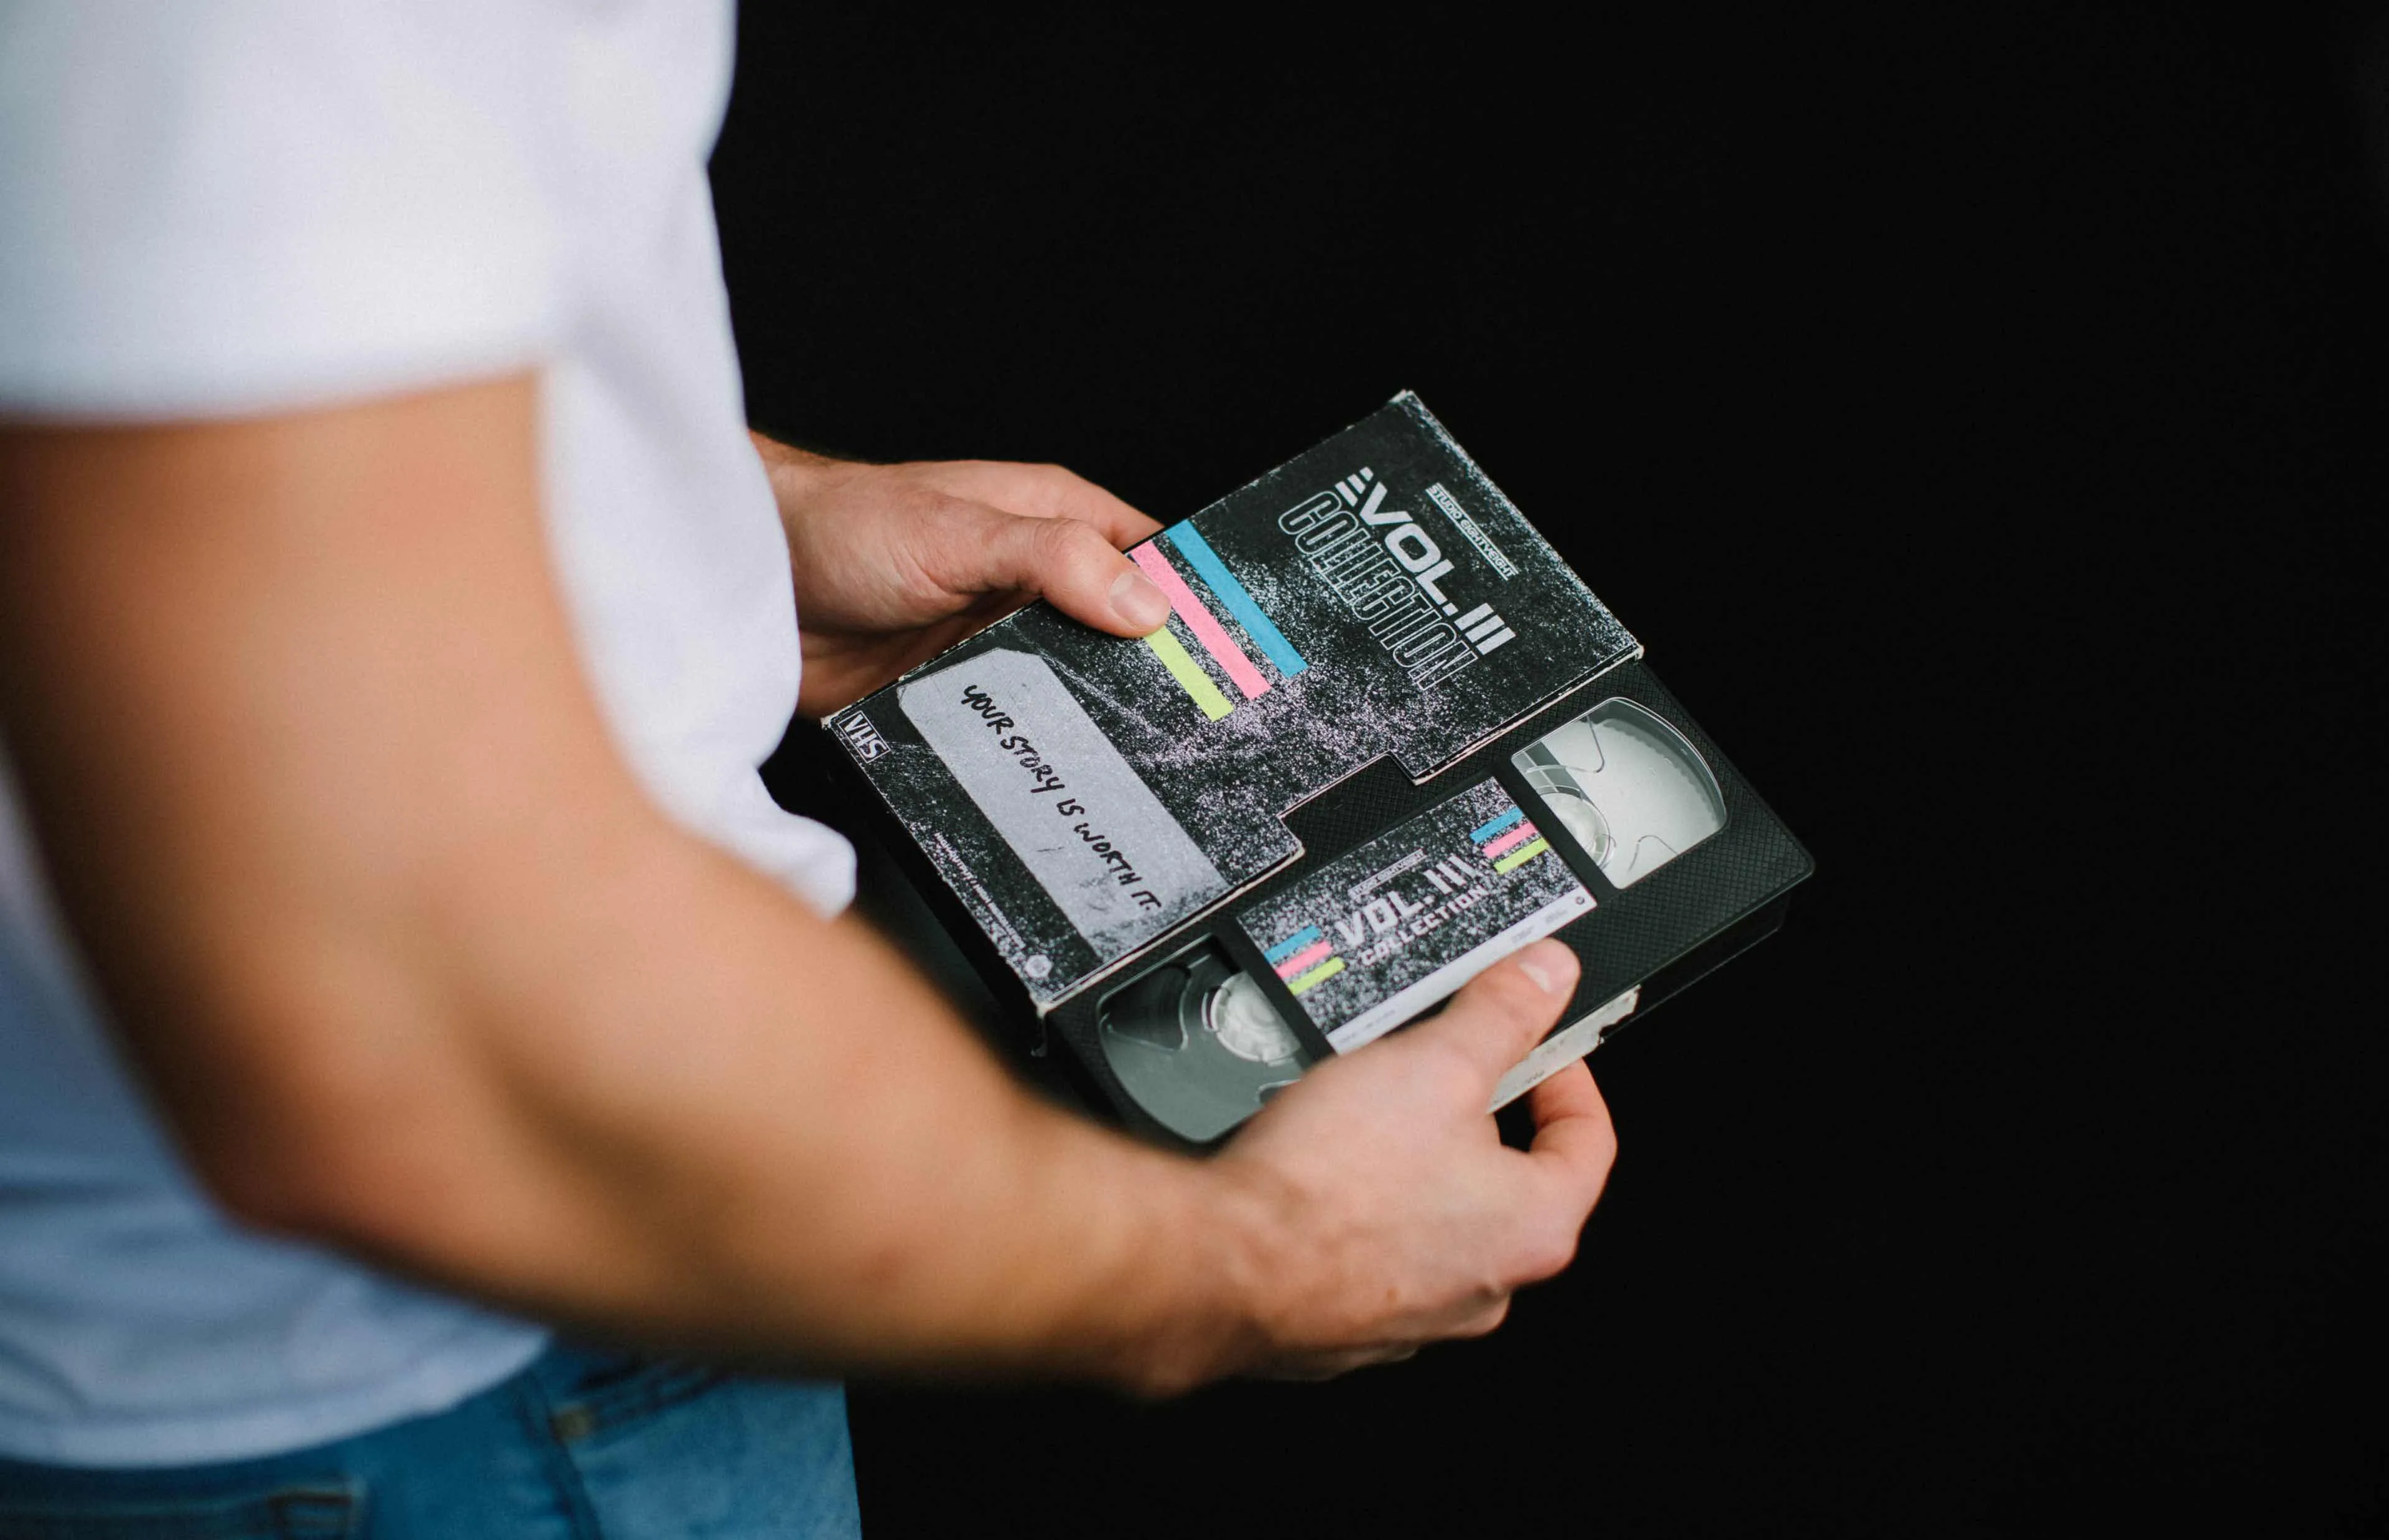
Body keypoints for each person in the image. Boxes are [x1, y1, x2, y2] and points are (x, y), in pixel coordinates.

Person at [0, 6, 1616, 1535]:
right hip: (446, 1385)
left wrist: (714, 531)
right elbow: (415, 1037)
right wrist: (1242, 1262)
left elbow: (206, 366)